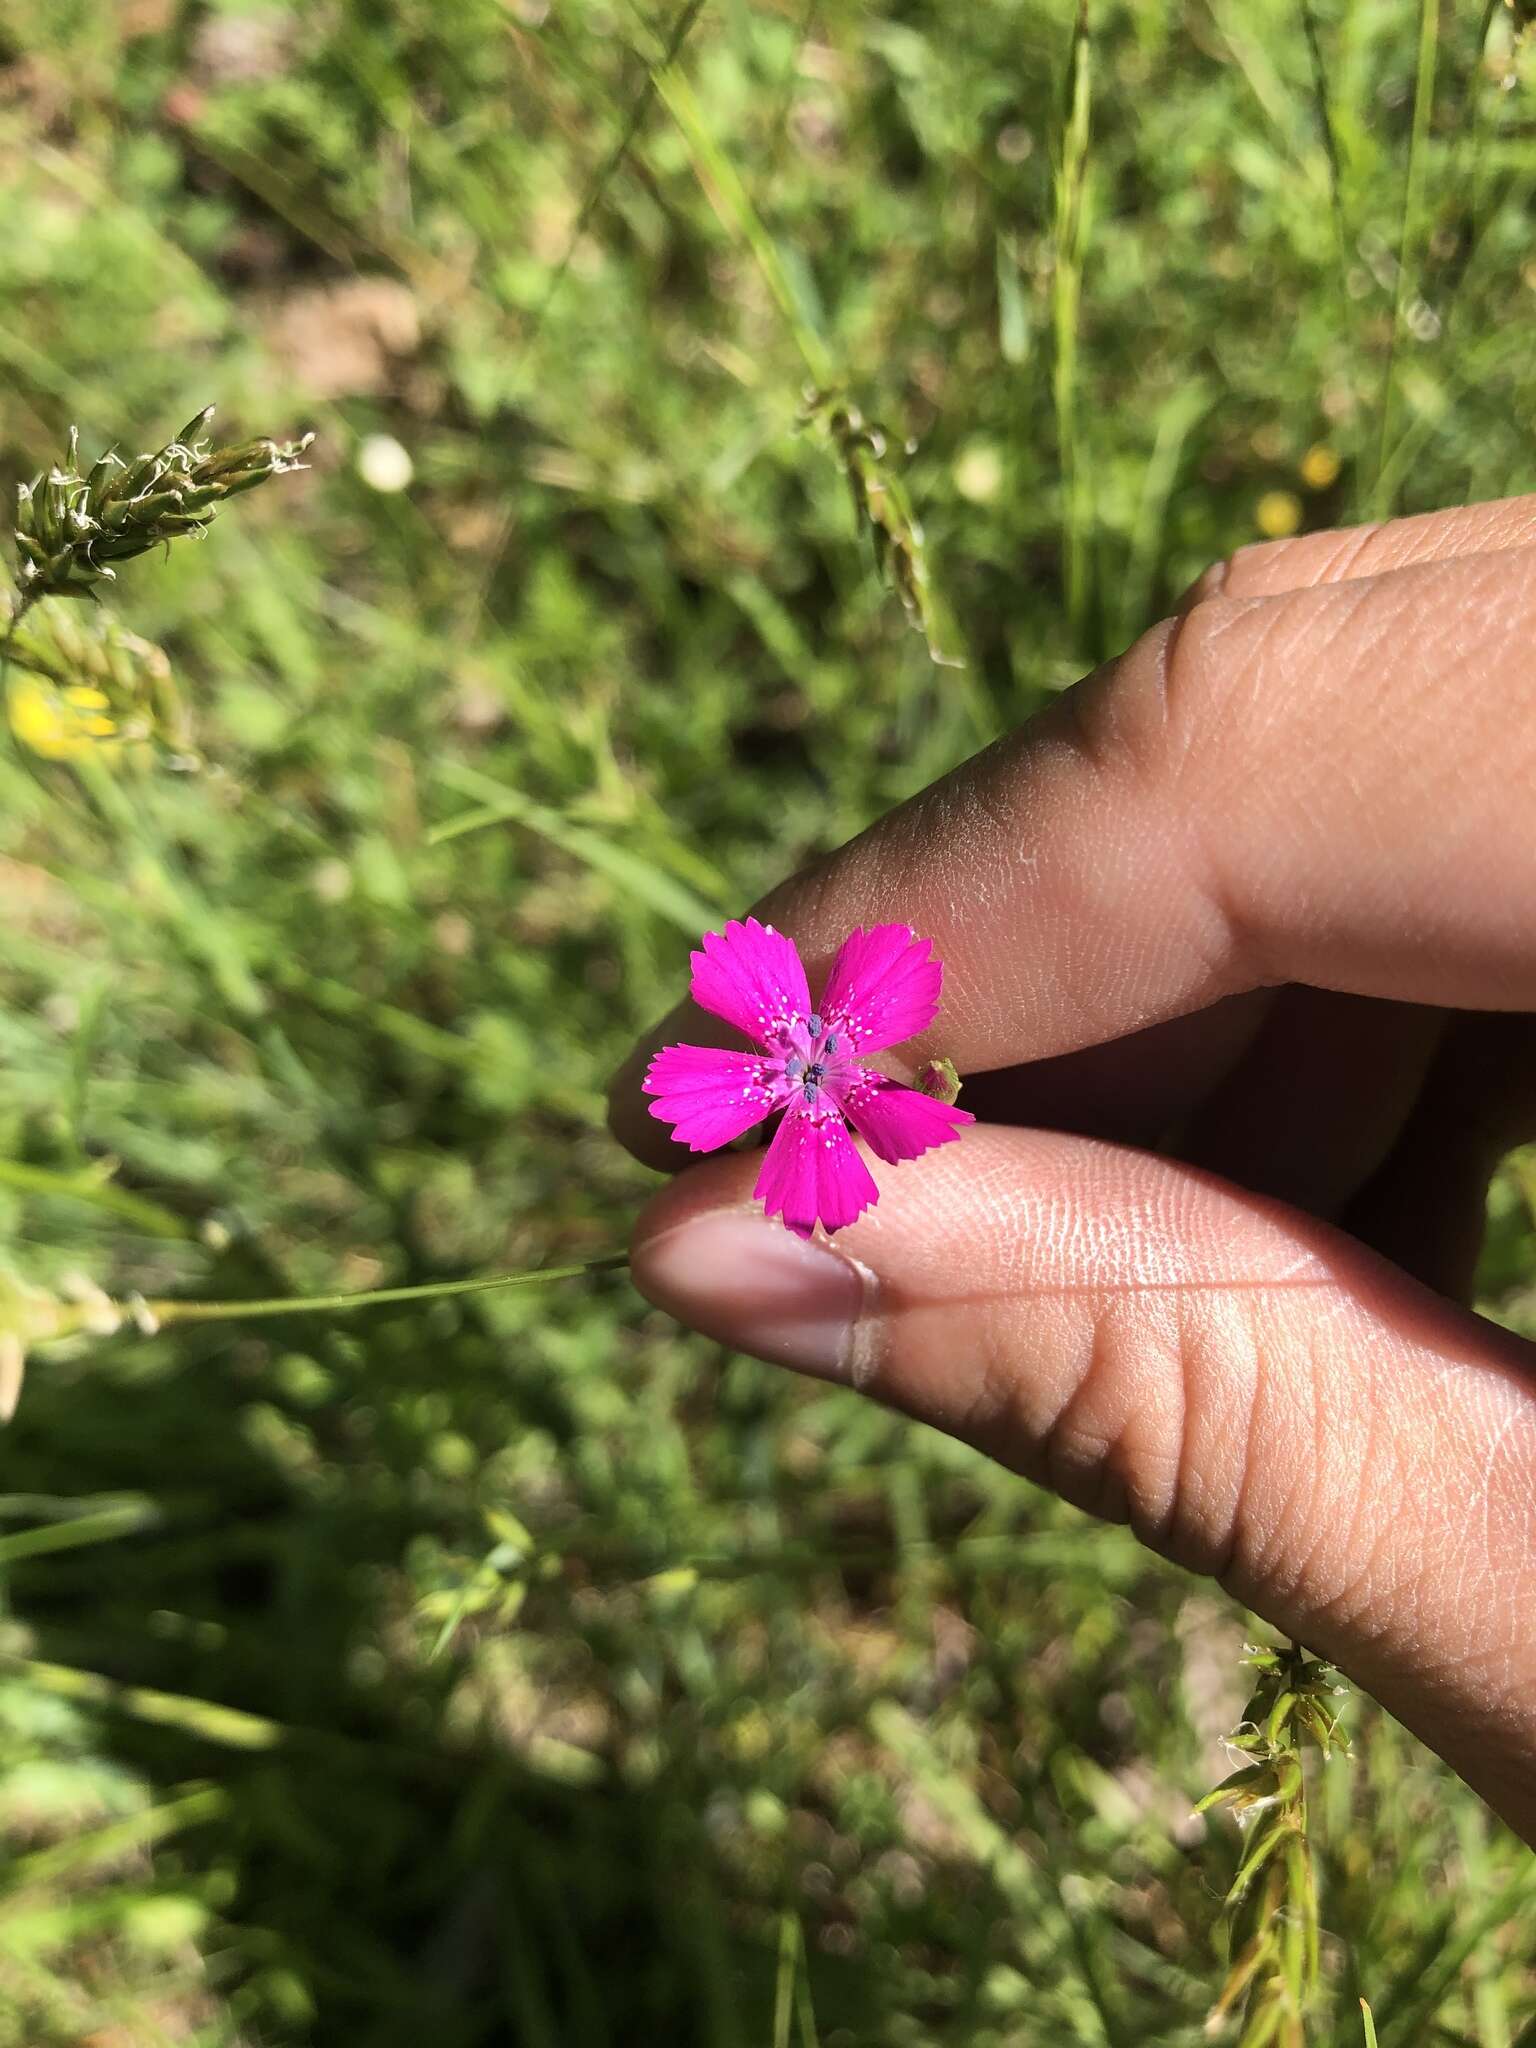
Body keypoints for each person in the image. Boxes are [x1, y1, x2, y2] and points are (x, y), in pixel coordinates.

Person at [608, 497, 1536, 1847]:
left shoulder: (878, 1086)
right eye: (796, 1055)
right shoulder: (810, 1066)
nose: (808, 1068)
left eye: (821, 1058)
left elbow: (900, 1095)